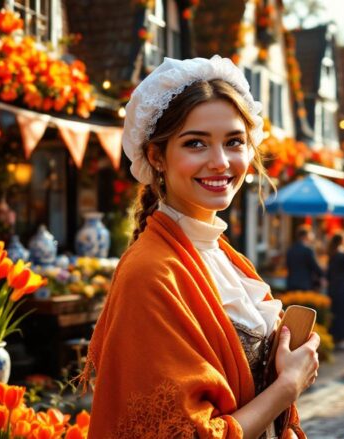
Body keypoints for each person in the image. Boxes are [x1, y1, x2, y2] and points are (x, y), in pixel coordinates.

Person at [84, 57, 319, 438]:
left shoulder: (228, 259)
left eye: (233, 142)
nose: (220, 162)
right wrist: (287, 388)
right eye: (196, 143)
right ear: (156, 157)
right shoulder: (151, 273)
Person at [286, 224, 324, 291]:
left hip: (291, 283)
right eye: (310, 234)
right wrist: (323, 275)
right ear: (306, 235)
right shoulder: (308, 250)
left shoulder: (291, 249)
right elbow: (315, 266)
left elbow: (287, 265)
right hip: (305, 284)